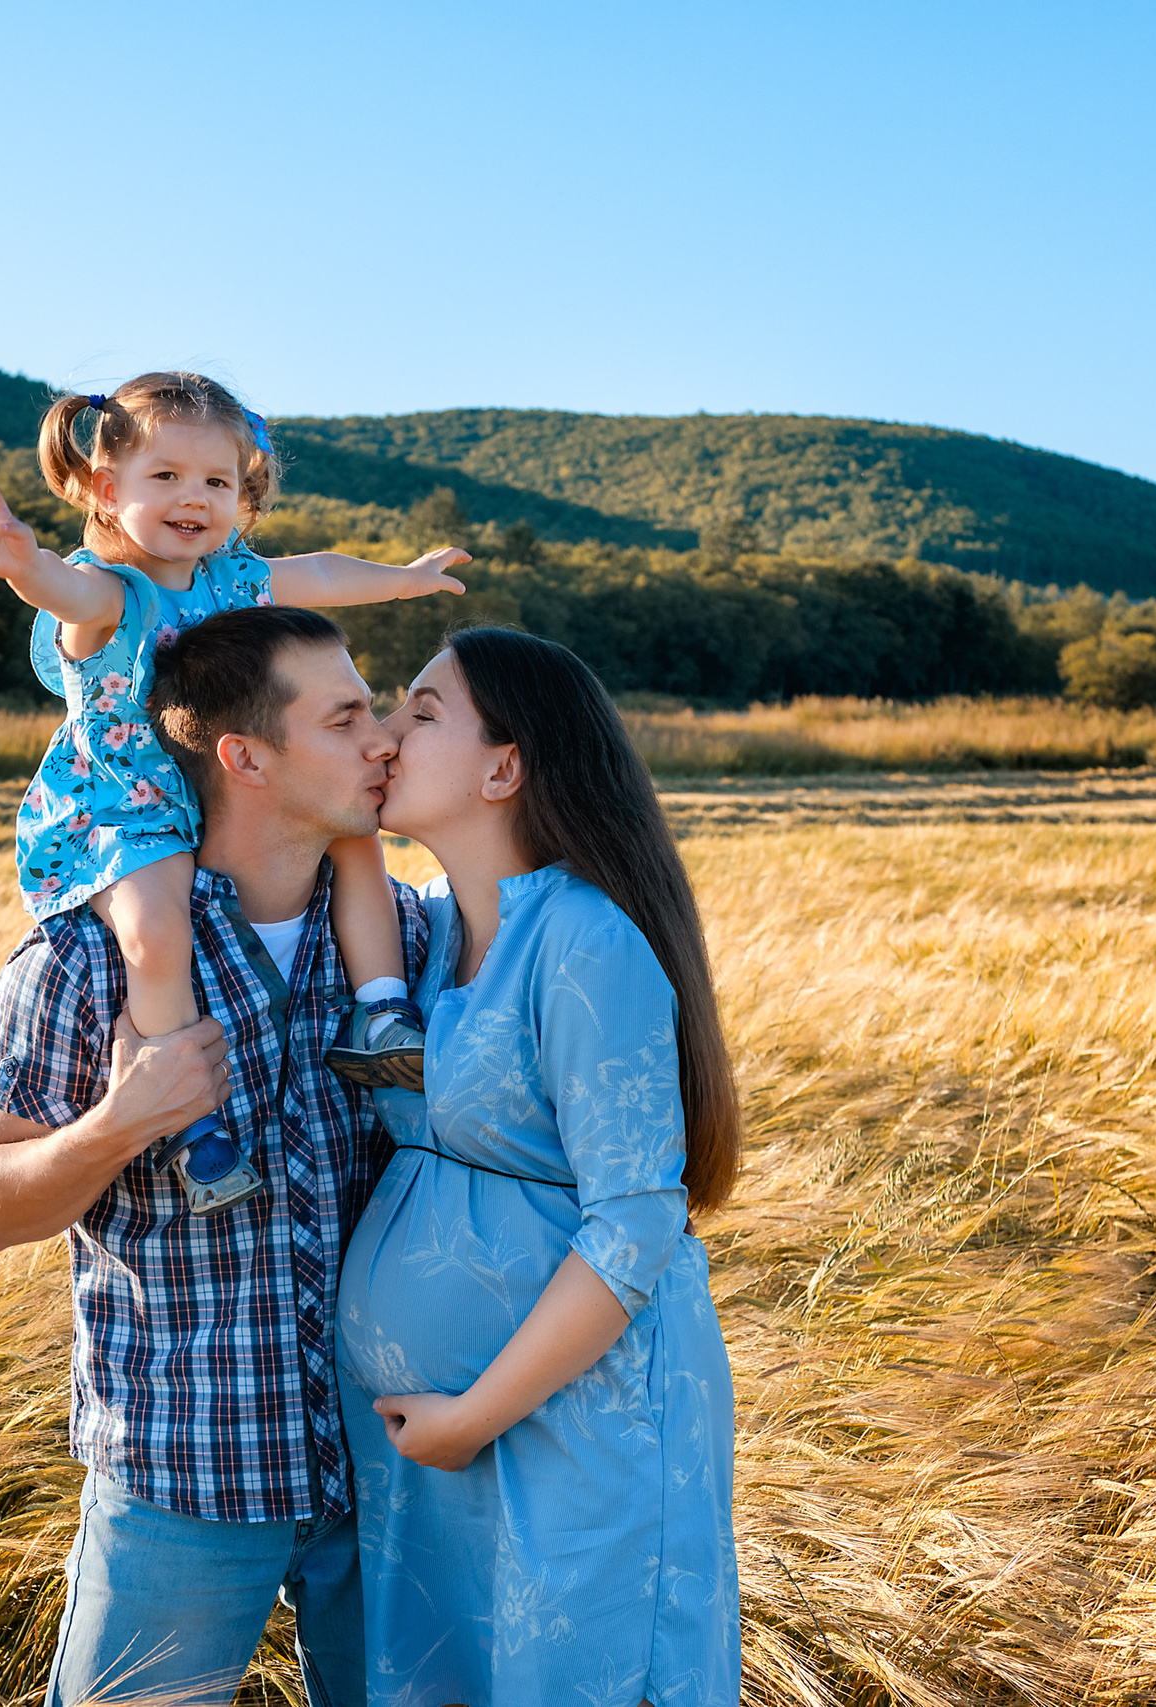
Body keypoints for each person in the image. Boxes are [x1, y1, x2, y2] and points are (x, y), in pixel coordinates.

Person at [0, 606, 426, 1707]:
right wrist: (123, 1120)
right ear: (245, 756)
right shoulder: (84, 958)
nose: (383, 739)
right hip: (184, 1481)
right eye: (347, 716)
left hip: (398, 1472)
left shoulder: (404, 938)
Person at [335, 626, 744, 1707]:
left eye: (419, 714)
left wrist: (475, 1415)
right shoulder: (419, 934)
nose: (385, 733)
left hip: (569, 1422)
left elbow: (635, 1224)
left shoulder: (582, 939)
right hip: (429, 1451)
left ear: (503, 767)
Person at [0, 372, 465, 1201]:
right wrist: (22, 566)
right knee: (156, 930)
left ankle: (382, 1012)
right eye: (167, 479)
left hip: (219, 784)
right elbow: (66, 591)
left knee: (356, 837)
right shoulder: (115, 594)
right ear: (109, 493)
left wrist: (406, 578)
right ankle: (191, 1124)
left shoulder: (230, 577)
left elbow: (323, 576)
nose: (195, 499)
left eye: (217, 482)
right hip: (127, 802)